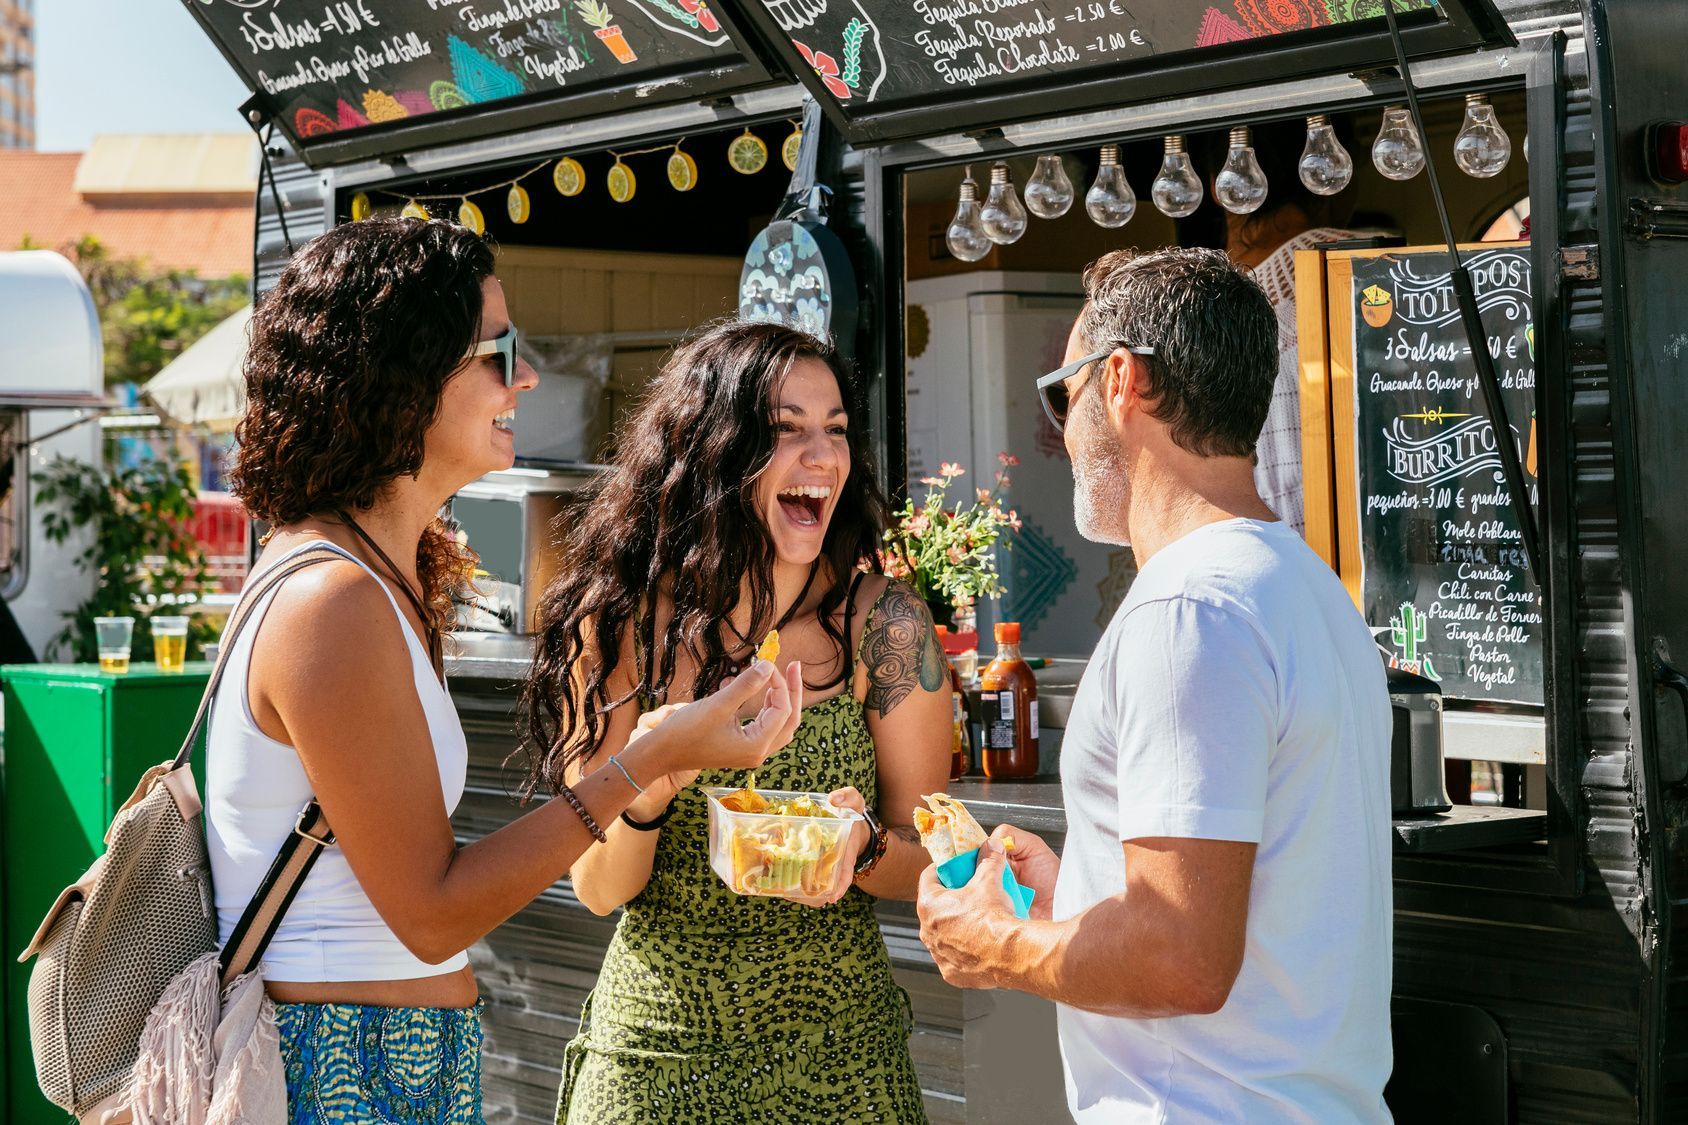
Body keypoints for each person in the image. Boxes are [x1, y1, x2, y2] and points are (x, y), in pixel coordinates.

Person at [210, 217, 804, 1124]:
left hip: (378, 1060)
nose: (525, 376)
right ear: (403, 376)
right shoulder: (333, 600)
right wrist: (642, 761)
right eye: (500, 351)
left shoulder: (371, 574)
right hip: (340, 1071)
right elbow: (434, 913)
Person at [915, 248, 1394, 1123]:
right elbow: (1245, 916)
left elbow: (1181, 958)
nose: (1061, 428)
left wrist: (997, 941)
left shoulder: (1189, 608)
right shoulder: (1306, 588)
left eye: (1064, 391)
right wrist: (1080, 892)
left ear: (1121, 380)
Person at [521, 320, 951, 1123]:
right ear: (716, 452)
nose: (822, 457)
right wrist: (654, 777)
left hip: (841, 1066)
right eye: (787, 432)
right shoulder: (620, 625)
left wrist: (862, 849)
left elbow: (938, 859)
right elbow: (598, 887)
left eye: (836, 431)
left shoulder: (887, 628)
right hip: (654, 1062)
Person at [1197, 119, 1359, 536]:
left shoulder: (1196, 316)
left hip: (1269, 574)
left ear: (1216, 186)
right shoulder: (1372, 267)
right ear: (1333, 170)